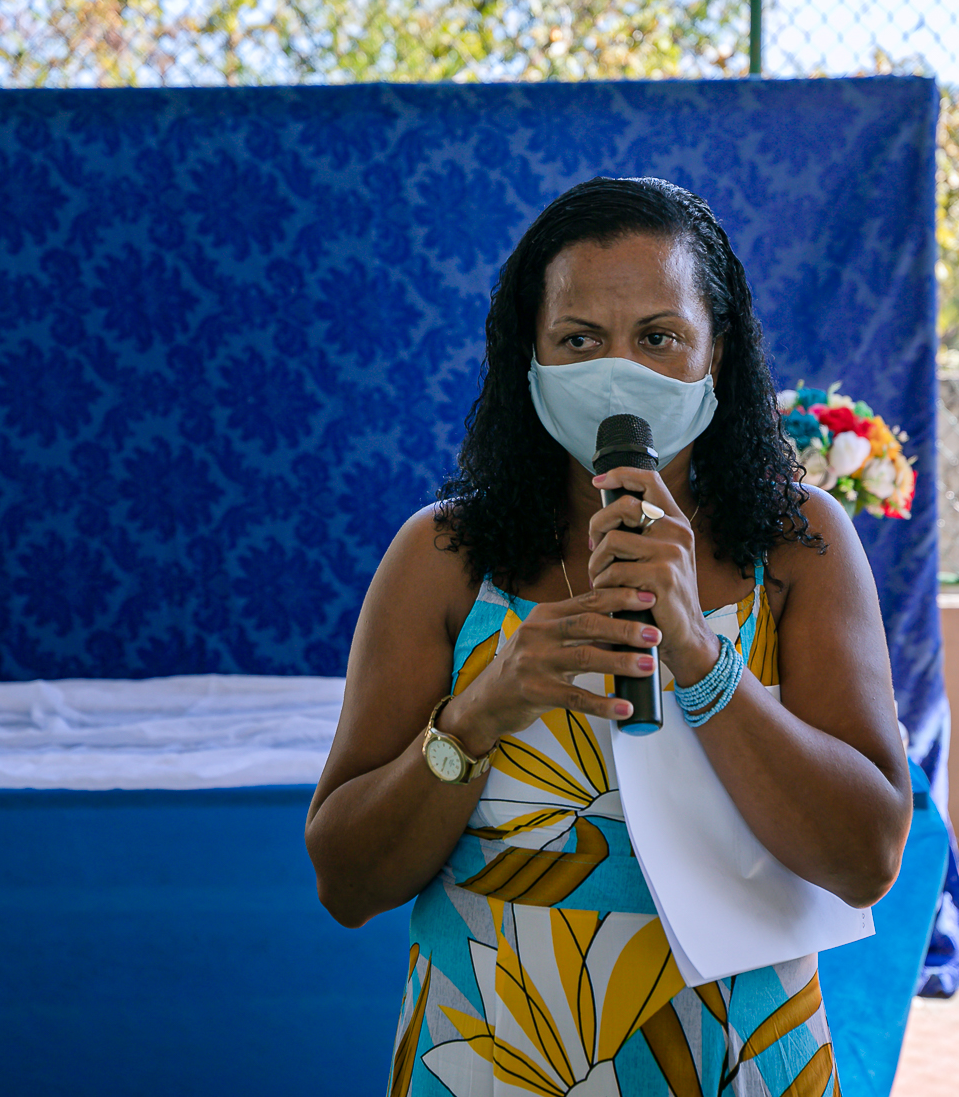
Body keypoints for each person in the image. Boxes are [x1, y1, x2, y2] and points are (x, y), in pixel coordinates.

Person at [307, 177, 914, 1096]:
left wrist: (701, 660)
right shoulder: (441, 558)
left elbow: (866, 858)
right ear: (531, 358)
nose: (618, 370)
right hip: (497, 1049)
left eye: (659, 338)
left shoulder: (802, 546)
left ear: (720, 357)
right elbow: (347, 882)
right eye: (580, 340)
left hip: (735, 1051)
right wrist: (478, 713)